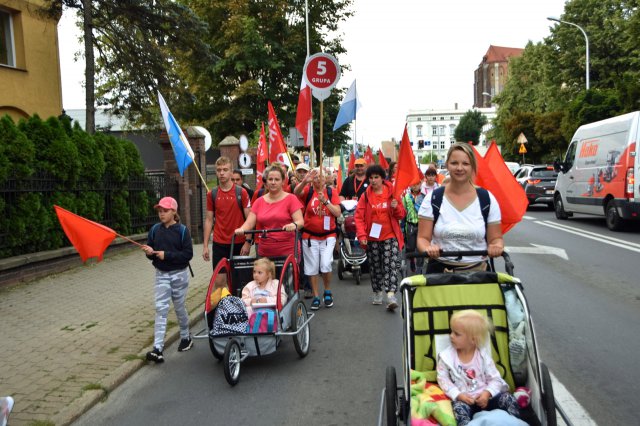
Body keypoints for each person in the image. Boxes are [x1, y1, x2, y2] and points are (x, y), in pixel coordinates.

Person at [417, 143, 503, 273]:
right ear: (447, 165)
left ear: (473, 166)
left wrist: (496, 246)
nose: (459, 168)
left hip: (478, 274)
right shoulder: (433, 199)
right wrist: (428, 248)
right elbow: (422, 238)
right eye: (454, 163)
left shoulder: (487, 199)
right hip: (439, 274)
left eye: (465, 164)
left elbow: (496, 238)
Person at [437, 310, 521, 426]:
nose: (451, 336)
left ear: (473, 340)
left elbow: (495, 379)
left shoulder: (482, 356)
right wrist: (458, 395)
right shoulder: (446, 357)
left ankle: (514, 422)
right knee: (458, 409)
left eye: (456, 334)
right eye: (451, 331)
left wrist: (487, 393)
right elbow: (443, 379)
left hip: (486, 398)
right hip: (464, 400)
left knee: (508, 398)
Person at [142, 197, 194, 363]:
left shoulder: (182, 231)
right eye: (159, 211)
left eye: (165, 210)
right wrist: (149, 253)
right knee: (161, 309)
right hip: (161, 275)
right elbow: (152, 253)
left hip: (179, 274)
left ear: (173, 212)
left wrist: (167, 255)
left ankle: (186, 336)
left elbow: (187, 255)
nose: (161, 214)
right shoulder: (155, 230)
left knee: (179, 307)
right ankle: (158, 348)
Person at [354, 164, 406, 310]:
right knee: (376, 267)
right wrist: (362, 234)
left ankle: (390, 295)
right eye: (370, 178)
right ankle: (377, 291)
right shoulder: (365, 196)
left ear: (382, 178)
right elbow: (359, 217)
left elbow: (401, 215)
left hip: (390, 235)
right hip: (372, 238)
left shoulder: (392, 193)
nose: (373, 180)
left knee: (390, 265)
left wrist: (396, 207)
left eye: (376, 177)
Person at [294, 168, 341, 310]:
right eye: (315, 177)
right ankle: (315, 296)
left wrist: (325, 202)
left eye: (320, 176)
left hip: (328, 235)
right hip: (309, 236)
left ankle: (327, 291)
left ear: (326, 178)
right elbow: (296, 193)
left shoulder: (331, 192)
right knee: (312, 267)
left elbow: (338, 213)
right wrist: (304, 182)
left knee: (326, 264)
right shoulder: (308, 191)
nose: (317, 179)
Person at [235, 165, 304, 257]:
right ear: (266, 182)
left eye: (277, 179)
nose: (273, 182)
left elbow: (300, 221)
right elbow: (249, 223)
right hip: (265, 250)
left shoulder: (291, 199)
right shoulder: (259, 201)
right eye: (270, 179)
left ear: (283, 181)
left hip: (288, 250)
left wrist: (294, 225)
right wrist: (242, 229)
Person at [203, 157, 251, 276]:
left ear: (231, 171)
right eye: (219, 170)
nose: (222, 173)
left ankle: (235, 295)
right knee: (219, 280)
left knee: (238, 281)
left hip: (238, 242)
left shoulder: (241, 192)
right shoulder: (212, 194)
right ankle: (224, 296)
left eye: (225, 169)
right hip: (219, 242)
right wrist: (205, 246)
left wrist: (248, 242)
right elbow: (209, 220)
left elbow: (250, 219)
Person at [402, 182, 424, 273]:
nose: (415, 186)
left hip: (421, 225)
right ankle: (412, 260)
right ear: (410, 185)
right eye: (413, 184)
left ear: (421, 184)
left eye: (417, 184)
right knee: (410, 247)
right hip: (410, 224)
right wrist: (402, 227)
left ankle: (420, 267)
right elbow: (403, 212)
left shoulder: (423, 197)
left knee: (420, 248)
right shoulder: (406, 197)